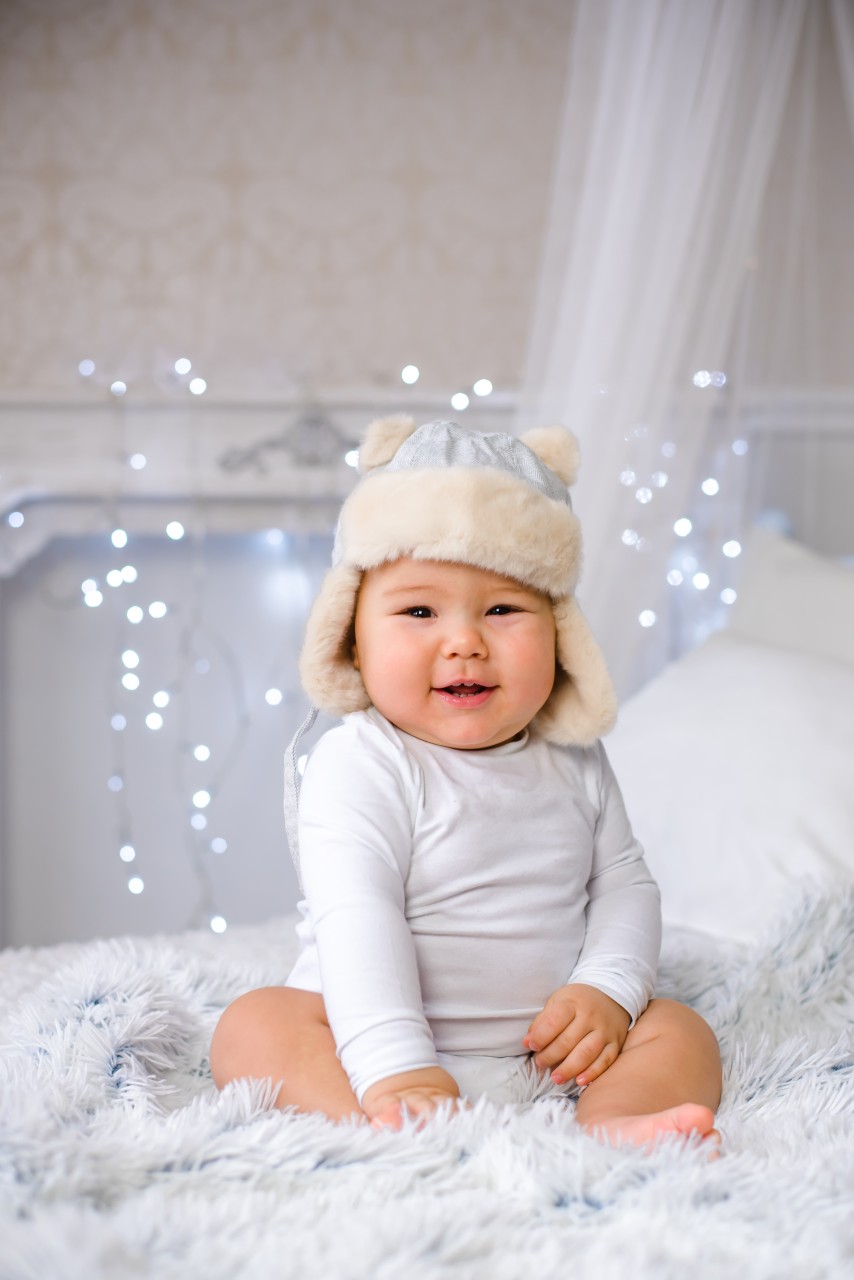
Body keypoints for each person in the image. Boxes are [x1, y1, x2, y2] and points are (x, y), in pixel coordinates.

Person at [211, 416, 722, 1147]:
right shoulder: (360, 763)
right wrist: (397, 1069)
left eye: (503, 609)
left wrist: (606, 990)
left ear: (560, 631)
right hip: (368, 1045)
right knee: (255, 1025)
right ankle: (392, 1123)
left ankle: (613, 1125)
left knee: (678, 1029)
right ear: (353, 636)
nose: (464, 642)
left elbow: (624, 884)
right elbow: (359, 915)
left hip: (546, 1052)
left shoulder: (574, 758)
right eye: (418, 611)